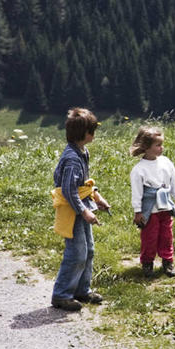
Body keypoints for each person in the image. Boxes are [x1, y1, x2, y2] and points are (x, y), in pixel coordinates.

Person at [50, 107, 111, 312]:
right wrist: (84, 211)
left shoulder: (82, 152)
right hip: (72, 210)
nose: (94, 133)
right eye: (92, 130)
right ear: (84, 134)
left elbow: (82, 184)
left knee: (88, 250)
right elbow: (68, 189)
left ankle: (81, 290)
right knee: (76, 252)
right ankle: (61, 294)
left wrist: (96, 196)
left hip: (81, 205)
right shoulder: (72, 159)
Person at [130, 126, 175, 277]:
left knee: (167, 235)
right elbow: (137, 193)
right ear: (146, 147)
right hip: (150, 211)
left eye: (162, 144)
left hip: (165, 207)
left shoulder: (166, 162)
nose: (161, 148)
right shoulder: (139, 169)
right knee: (150, 237)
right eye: (158, 145)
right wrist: (138, 211)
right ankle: (147, 263)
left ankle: (168, 261)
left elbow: (174, 181)